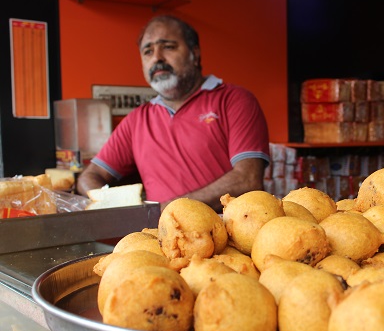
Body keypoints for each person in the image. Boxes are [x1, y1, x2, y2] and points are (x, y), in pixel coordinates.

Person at [77, 15, 270, 213]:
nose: (157, 58)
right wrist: (113, 206)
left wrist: (166, 210)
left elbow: (248, 179)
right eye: (148, 51)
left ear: (195, 53)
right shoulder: (137, 120)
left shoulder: (234, 100)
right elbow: (88, 177)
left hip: (225, 235)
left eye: (168, 47)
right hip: (162, 237)